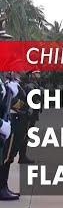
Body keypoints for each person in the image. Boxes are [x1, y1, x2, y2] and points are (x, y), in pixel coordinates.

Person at [0, 72, 30, 200]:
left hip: (9, 122)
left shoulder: (6, 83)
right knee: (5, 158)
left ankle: (3, 187)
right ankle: (2, 188)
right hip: (9, 122)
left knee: (7, 157)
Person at [19, 70, 41, 164]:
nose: (38, 75)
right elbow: (28, 101)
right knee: (25, 136)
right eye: (36, 73)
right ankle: (22, 157)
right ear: (31, 75)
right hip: (29, 115)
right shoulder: (29, 86)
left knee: (27, 135)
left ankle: (22, 156)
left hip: (31, 114)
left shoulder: (33, 84)